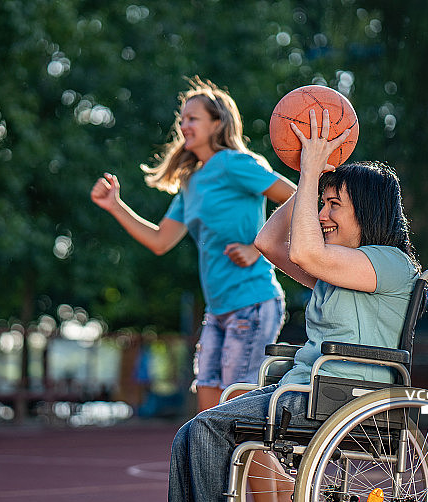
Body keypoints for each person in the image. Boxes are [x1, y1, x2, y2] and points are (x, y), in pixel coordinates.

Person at [167, 108, 421, 502]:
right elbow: (268, 242)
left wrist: (309, 173)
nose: (322, 214)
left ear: (368, 210)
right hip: (305, 391)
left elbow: (303, 251)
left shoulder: (388, 263)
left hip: (340, 395)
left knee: (205, 428)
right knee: (187, 436)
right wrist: (311, 177)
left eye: (334, 205)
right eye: (323, 204)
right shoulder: (339, 269)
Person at [91, 76, 296, 412]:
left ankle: (263, 451)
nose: (184, 125)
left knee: (234, 414)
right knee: (208, 414)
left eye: (193, 118)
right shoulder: (191, 181)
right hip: (217, 311)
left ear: (217, 124)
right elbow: (160, 240)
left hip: (253, 304)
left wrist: (257, 248)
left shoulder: (235, 164)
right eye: (182, 119)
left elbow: (296, 196)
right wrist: (115, 205)